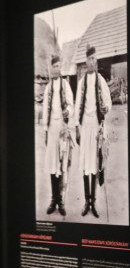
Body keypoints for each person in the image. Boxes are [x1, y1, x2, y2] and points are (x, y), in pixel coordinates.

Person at [74, 45, 111, 218]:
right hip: (84, 126)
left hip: (96, 126)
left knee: (95, 163)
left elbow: (108, 102)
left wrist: (105, 108)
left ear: (96, 61)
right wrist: (77, 127)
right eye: (89, 59)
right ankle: (86, 201)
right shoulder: (81, 83)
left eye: (94, 59)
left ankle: (93, 203)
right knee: (84, 164)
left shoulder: (100, 80)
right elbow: (76, 107)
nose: (91, 62)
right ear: (85, 61)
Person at [41, 54, 76, 216]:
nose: (57, 68)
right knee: (52, 164)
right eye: (55, 66)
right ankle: (53, 199)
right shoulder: (48, 88)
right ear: (51, 68)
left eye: (59, 66)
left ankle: (60, 201)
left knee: (62, 164)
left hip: (62, 129)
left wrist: (67, 111)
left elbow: (71, 105)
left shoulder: (65, 85)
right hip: (51, 129)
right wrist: (45, 131)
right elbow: (44, 111)